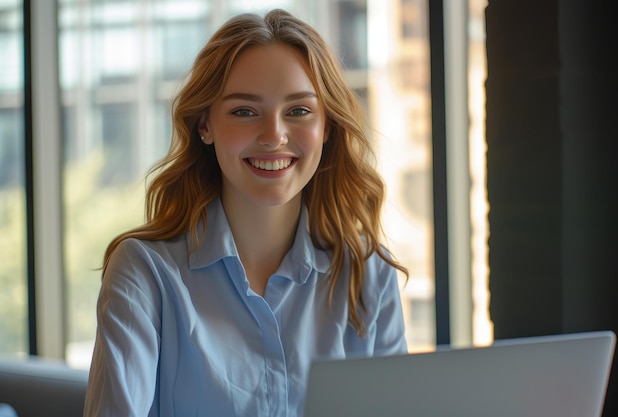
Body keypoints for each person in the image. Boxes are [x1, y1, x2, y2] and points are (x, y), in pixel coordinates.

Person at [83, 8, 408, 417]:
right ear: (205, 125)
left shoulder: (369, 273)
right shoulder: (144, 273)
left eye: (299, 111)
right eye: (243, 111)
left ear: (327, 127)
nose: (274, 135)